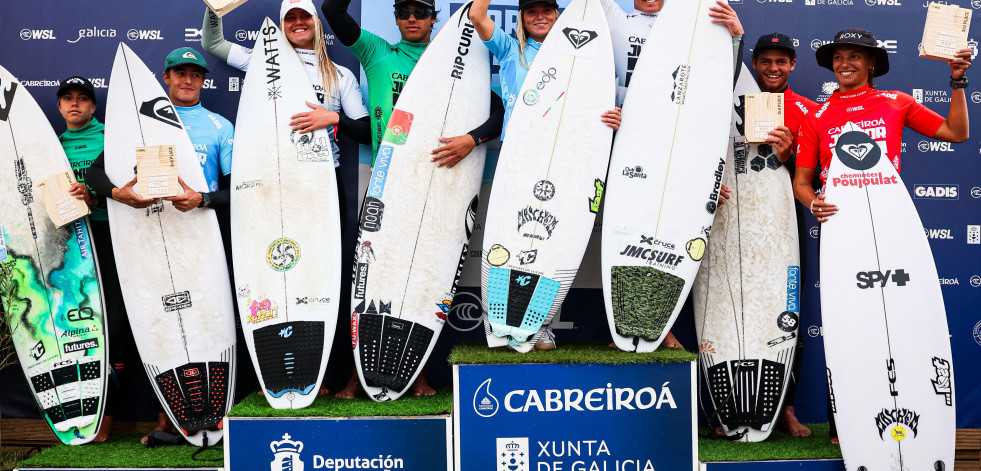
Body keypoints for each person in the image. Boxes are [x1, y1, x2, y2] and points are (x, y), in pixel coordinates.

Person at [793, 28, 971, 443]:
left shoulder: (897, 102)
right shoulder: (816, 116)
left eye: (856, 56)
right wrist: (812, 202)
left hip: (891, 227)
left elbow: (955, 133)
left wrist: (957, 83)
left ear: (873, 63)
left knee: (899, 321)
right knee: (849, 324)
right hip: (842, 233)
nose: (845, 63)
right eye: (839, 56)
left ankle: (911, 416)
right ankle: (846, 424)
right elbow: (803, 181)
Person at [321, 0, 505, 397]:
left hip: (440, 182)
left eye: (420, 12)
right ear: (395, 17)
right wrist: (339, 121)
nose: (411, 19)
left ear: (433, 18)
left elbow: (497, 111)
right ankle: (356, 377)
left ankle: (417, 374)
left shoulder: (453, 58)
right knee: (370, 276)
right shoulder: (376, 52)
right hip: (389, 182)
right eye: (403, 11)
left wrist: (472, 140)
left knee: (428, 275)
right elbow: (333, 12)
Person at [84, 48, 237, 442]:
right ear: (165, 78)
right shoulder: (137, 125)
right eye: (179, 73)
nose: (188, 80)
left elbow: (240, 189)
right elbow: (97, 172)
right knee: (157, 323)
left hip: (200, 237)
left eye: (195, 75)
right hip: (147, 236)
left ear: (203, 81)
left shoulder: (220, 126)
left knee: (207, 322)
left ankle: (215, 417)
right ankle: (166, 419)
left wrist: (202, 199)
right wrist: (119, 194)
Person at [468, 0, 623, 350]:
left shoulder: (586, 58)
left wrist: (615, 120)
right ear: (522, 18)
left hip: (569, 160)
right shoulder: (511, 49)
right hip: (519, 159)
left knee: (552, 240)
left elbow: (596, 109)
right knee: (516, 239)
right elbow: (477, 16)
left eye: (547, 10)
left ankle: (539, 326)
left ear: (559, 14)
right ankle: (501, 323)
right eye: (532, 11)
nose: (540, 17)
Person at [597, 0, 744, 351]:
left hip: (680, 139)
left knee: (673, 229)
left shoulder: (697, 23)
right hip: (629, 139)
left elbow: (720, 82)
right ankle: (623, 321)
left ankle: (661, 326)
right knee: (629, 230)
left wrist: (736, 38)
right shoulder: (619, 22)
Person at [57, 76, 145, 442]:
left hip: (112, 238)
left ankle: (109, 418)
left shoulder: (113, 138)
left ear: (94, 107)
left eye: (83, 99)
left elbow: (132, 187)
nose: (75, 105)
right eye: (67, 99)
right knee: (83, 330)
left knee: (119, 329)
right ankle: (88, 414)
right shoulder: (52, 144)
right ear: (60, 107)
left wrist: (95, 197)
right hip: (71, 245)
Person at [746, 32, 818, 438]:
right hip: (732, 221)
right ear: (755, 63)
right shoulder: (729, 99)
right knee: (731, 304)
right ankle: (729, 411)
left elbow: (814, 176)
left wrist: (789, 159)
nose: (773, 68)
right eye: (766, 61)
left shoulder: (807, 110)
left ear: (793, 65)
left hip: (784, 221)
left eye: (781, 62)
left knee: (786, 312)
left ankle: (785, 408)